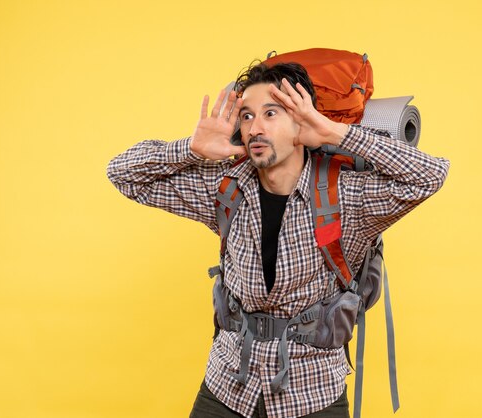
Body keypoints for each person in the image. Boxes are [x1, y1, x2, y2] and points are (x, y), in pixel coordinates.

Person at [107, 61, 450, 418]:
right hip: (227, 386)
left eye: (271, 113)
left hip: (312, 392)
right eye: (246, 116)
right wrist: (189, 149)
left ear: (301, 122)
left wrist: (335, 133)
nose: (255, 127)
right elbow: (123, 174)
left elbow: (430, 175)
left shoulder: (346, 196)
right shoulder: (226, 188)